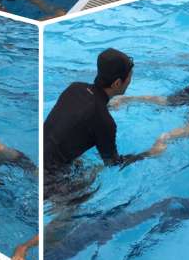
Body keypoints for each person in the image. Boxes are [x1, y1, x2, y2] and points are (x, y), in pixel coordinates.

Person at [44, 48, 136, 177]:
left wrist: (106, 106)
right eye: (130, 77)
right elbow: (113, 164)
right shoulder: (105, 122)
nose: (130, 81)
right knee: (93, 174)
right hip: (51, 179)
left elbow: (82, 111)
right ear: (117, 83)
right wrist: (150, 153)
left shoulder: (74, 88)